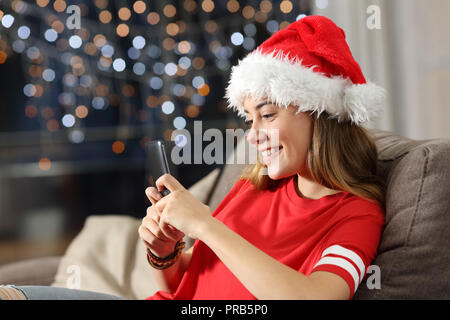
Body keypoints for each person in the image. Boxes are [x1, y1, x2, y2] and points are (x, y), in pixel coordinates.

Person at [0, 15, 386, 300]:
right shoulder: (253, 186)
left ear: (321, 113)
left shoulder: (356, 214)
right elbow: (190, 283)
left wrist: (205, 225)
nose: (253, 134)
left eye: (268, 115)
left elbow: (318, 297)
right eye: (250, 119)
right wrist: (166, 254)